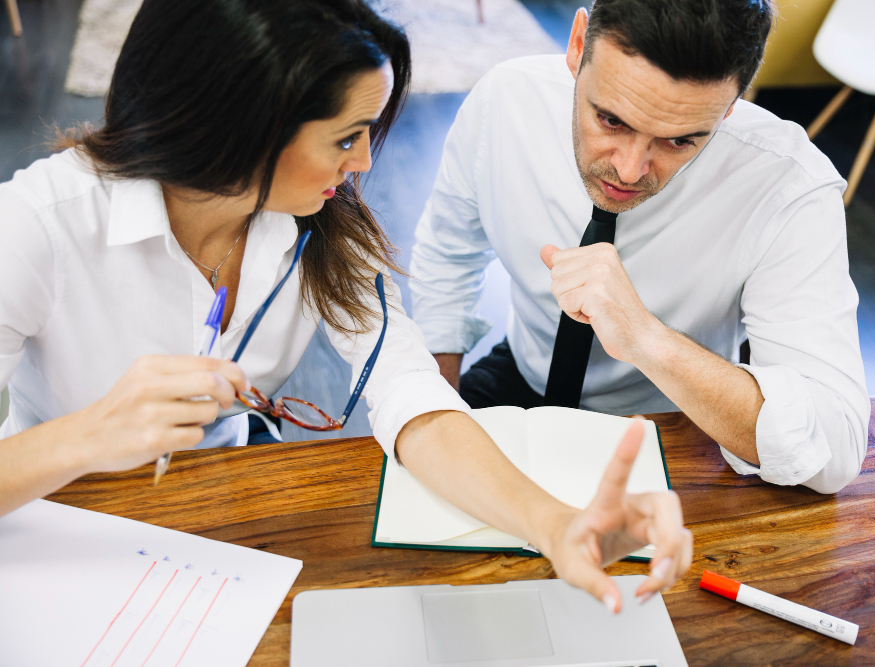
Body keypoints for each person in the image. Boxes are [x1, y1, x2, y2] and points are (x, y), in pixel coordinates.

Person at [0, 0, 692, 611]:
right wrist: (90, 433)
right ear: (241, 125)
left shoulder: (321, 223)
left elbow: (412, 394)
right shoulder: (36, 226)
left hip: (214, 513)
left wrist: (554, 523)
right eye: (343, 137)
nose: (362, 161)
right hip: (53, 523)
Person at [410, 0, 871, 495]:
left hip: (680, 417)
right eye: (611, 120)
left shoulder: (788, 186)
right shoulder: (505, 101)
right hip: (524, 375)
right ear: (578, 45)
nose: (628, 170)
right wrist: (443, 411)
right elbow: (448, 254)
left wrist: (645, 337)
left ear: (731, 105)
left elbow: (835, 452)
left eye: (680, 141)